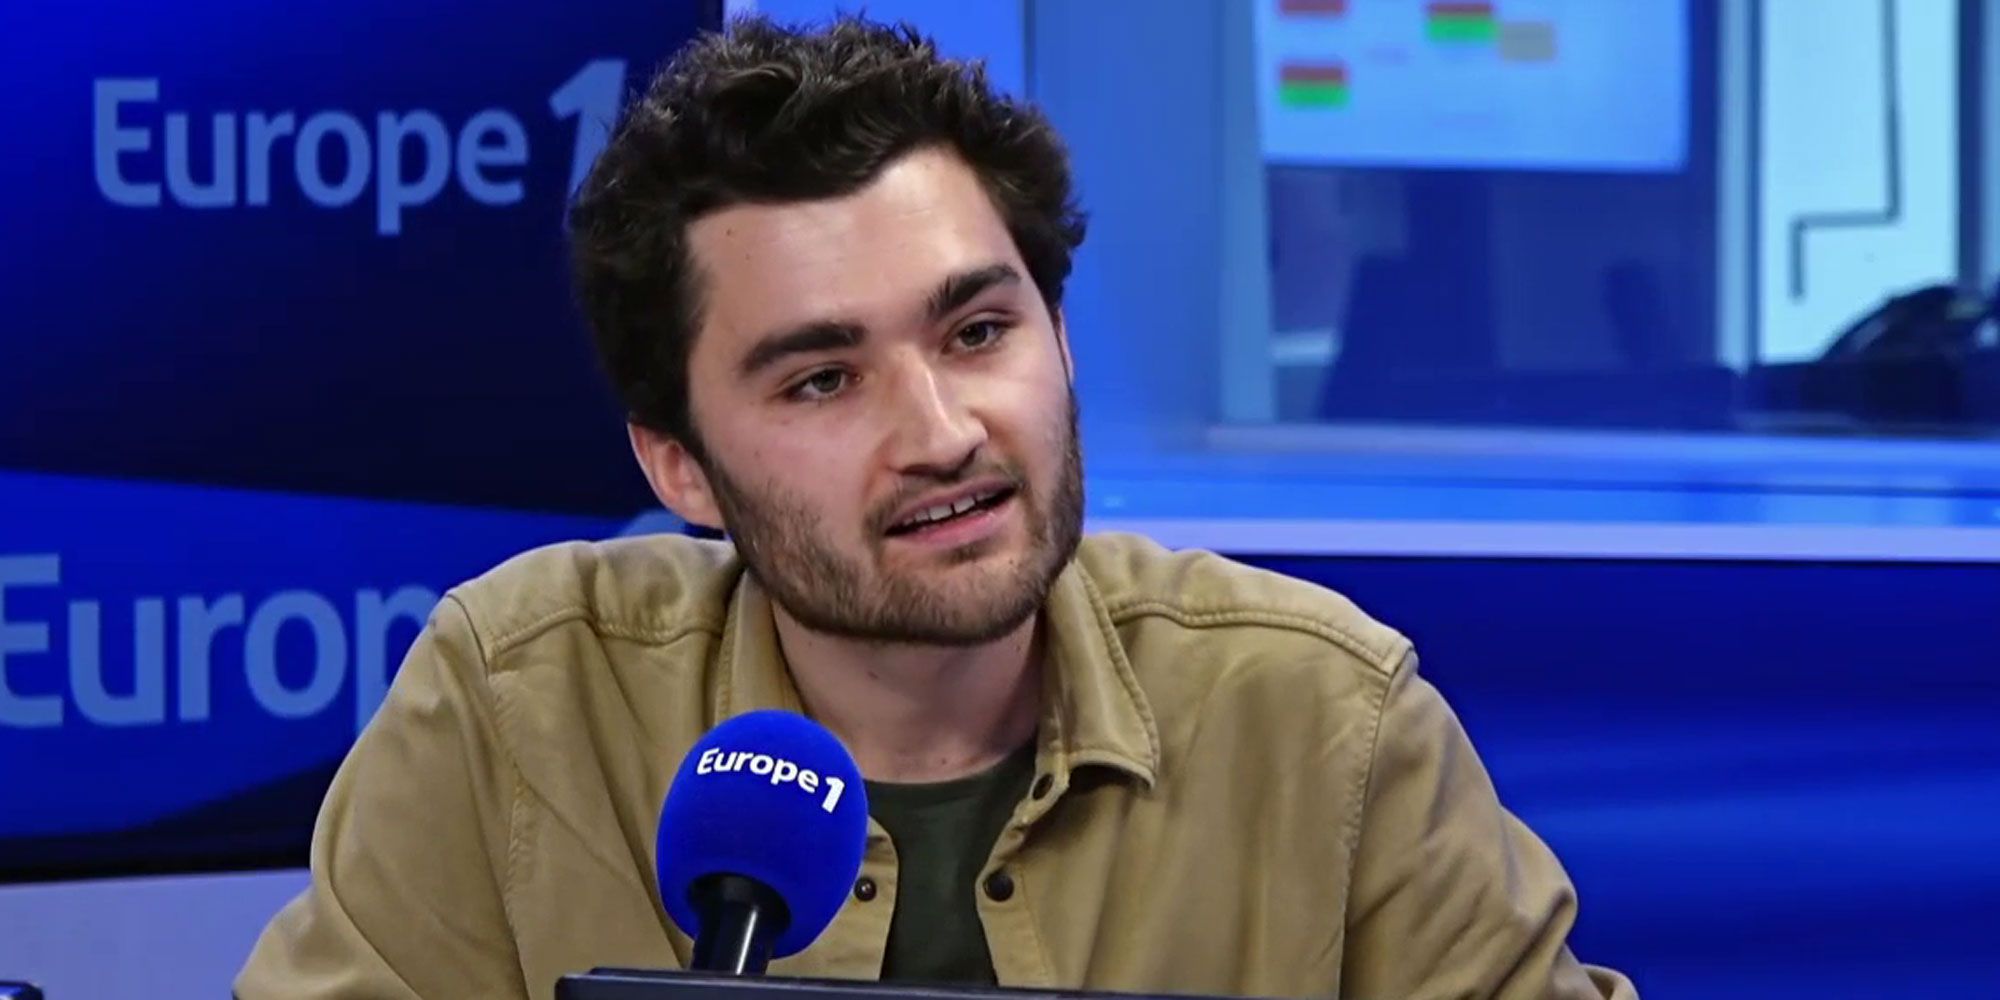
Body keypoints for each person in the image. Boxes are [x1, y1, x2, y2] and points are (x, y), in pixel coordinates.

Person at [236, 14, 1636, 1000]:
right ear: (677, 468)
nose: (944, 433)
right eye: (823, 379)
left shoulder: (1326, 721)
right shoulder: (518, 708)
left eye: (977, 332)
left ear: (1061, 339)